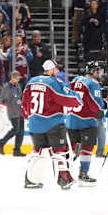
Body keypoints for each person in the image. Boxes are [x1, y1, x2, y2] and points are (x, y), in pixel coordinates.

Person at [22, 60, 83, 189]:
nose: (57, 71)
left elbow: (24, 101)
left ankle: (31, 179)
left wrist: (29, 117)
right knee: (61, 152)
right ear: (51, 70)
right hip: (52, 123)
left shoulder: (31, 81)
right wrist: (78, 98)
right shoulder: (54, 82)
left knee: (40, 151)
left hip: (34, 124)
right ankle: (64, 179)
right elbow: (69, 99)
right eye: (56, 69)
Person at [65, 61, 106, 186]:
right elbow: (95, 102)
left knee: (71, 148)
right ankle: (83, 174)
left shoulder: (75, 80)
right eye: (97, 71)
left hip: (71, 119)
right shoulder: (94, 83)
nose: (99, 73)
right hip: (86, 120)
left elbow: (68, 93)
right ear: (93, 71)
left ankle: (65, 173)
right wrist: (103, 106)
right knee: (87, 148)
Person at [0, 71, 25, 156]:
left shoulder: (18, 85)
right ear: (13, 78)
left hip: (20, 111)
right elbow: (0, 98)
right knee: (16, 129)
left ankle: (17, 150)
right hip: (12, 111)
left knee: (21, 131)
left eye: (19, 78)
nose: (18, 79)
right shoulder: (6, 87)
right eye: (17, 78)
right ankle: (1, 143)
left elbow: (20, 96)